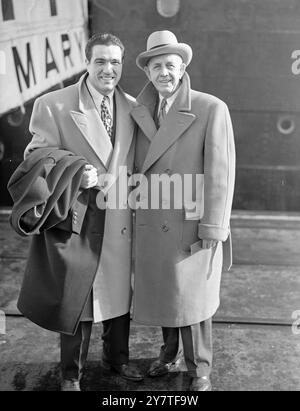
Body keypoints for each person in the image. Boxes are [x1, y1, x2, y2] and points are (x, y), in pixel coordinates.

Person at [17, 33, 143, 390]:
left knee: (119, 293)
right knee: (78, 296)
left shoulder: (133, 107)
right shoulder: (53, 104)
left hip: (118, 218)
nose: (108, 69)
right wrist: (74, 168)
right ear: (86, 63)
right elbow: (35, 157)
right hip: (77, 215)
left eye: (115, 62)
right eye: (100, 61)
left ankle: (117, 359)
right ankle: (71, 373)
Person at [131, 30, 236, 391]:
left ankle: (199, 368)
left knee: (193, 300)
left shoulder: (210, 108)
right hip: (152, 217)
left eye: (171, 66)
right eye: (157, 66)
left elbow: (221, 173)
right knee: (166, 292)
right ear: (148, 72)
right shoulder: (140, 110)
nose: (164, 73)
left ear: (183, 68)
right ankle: (169, 353)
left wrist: (212, 227)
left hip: (190, 221)